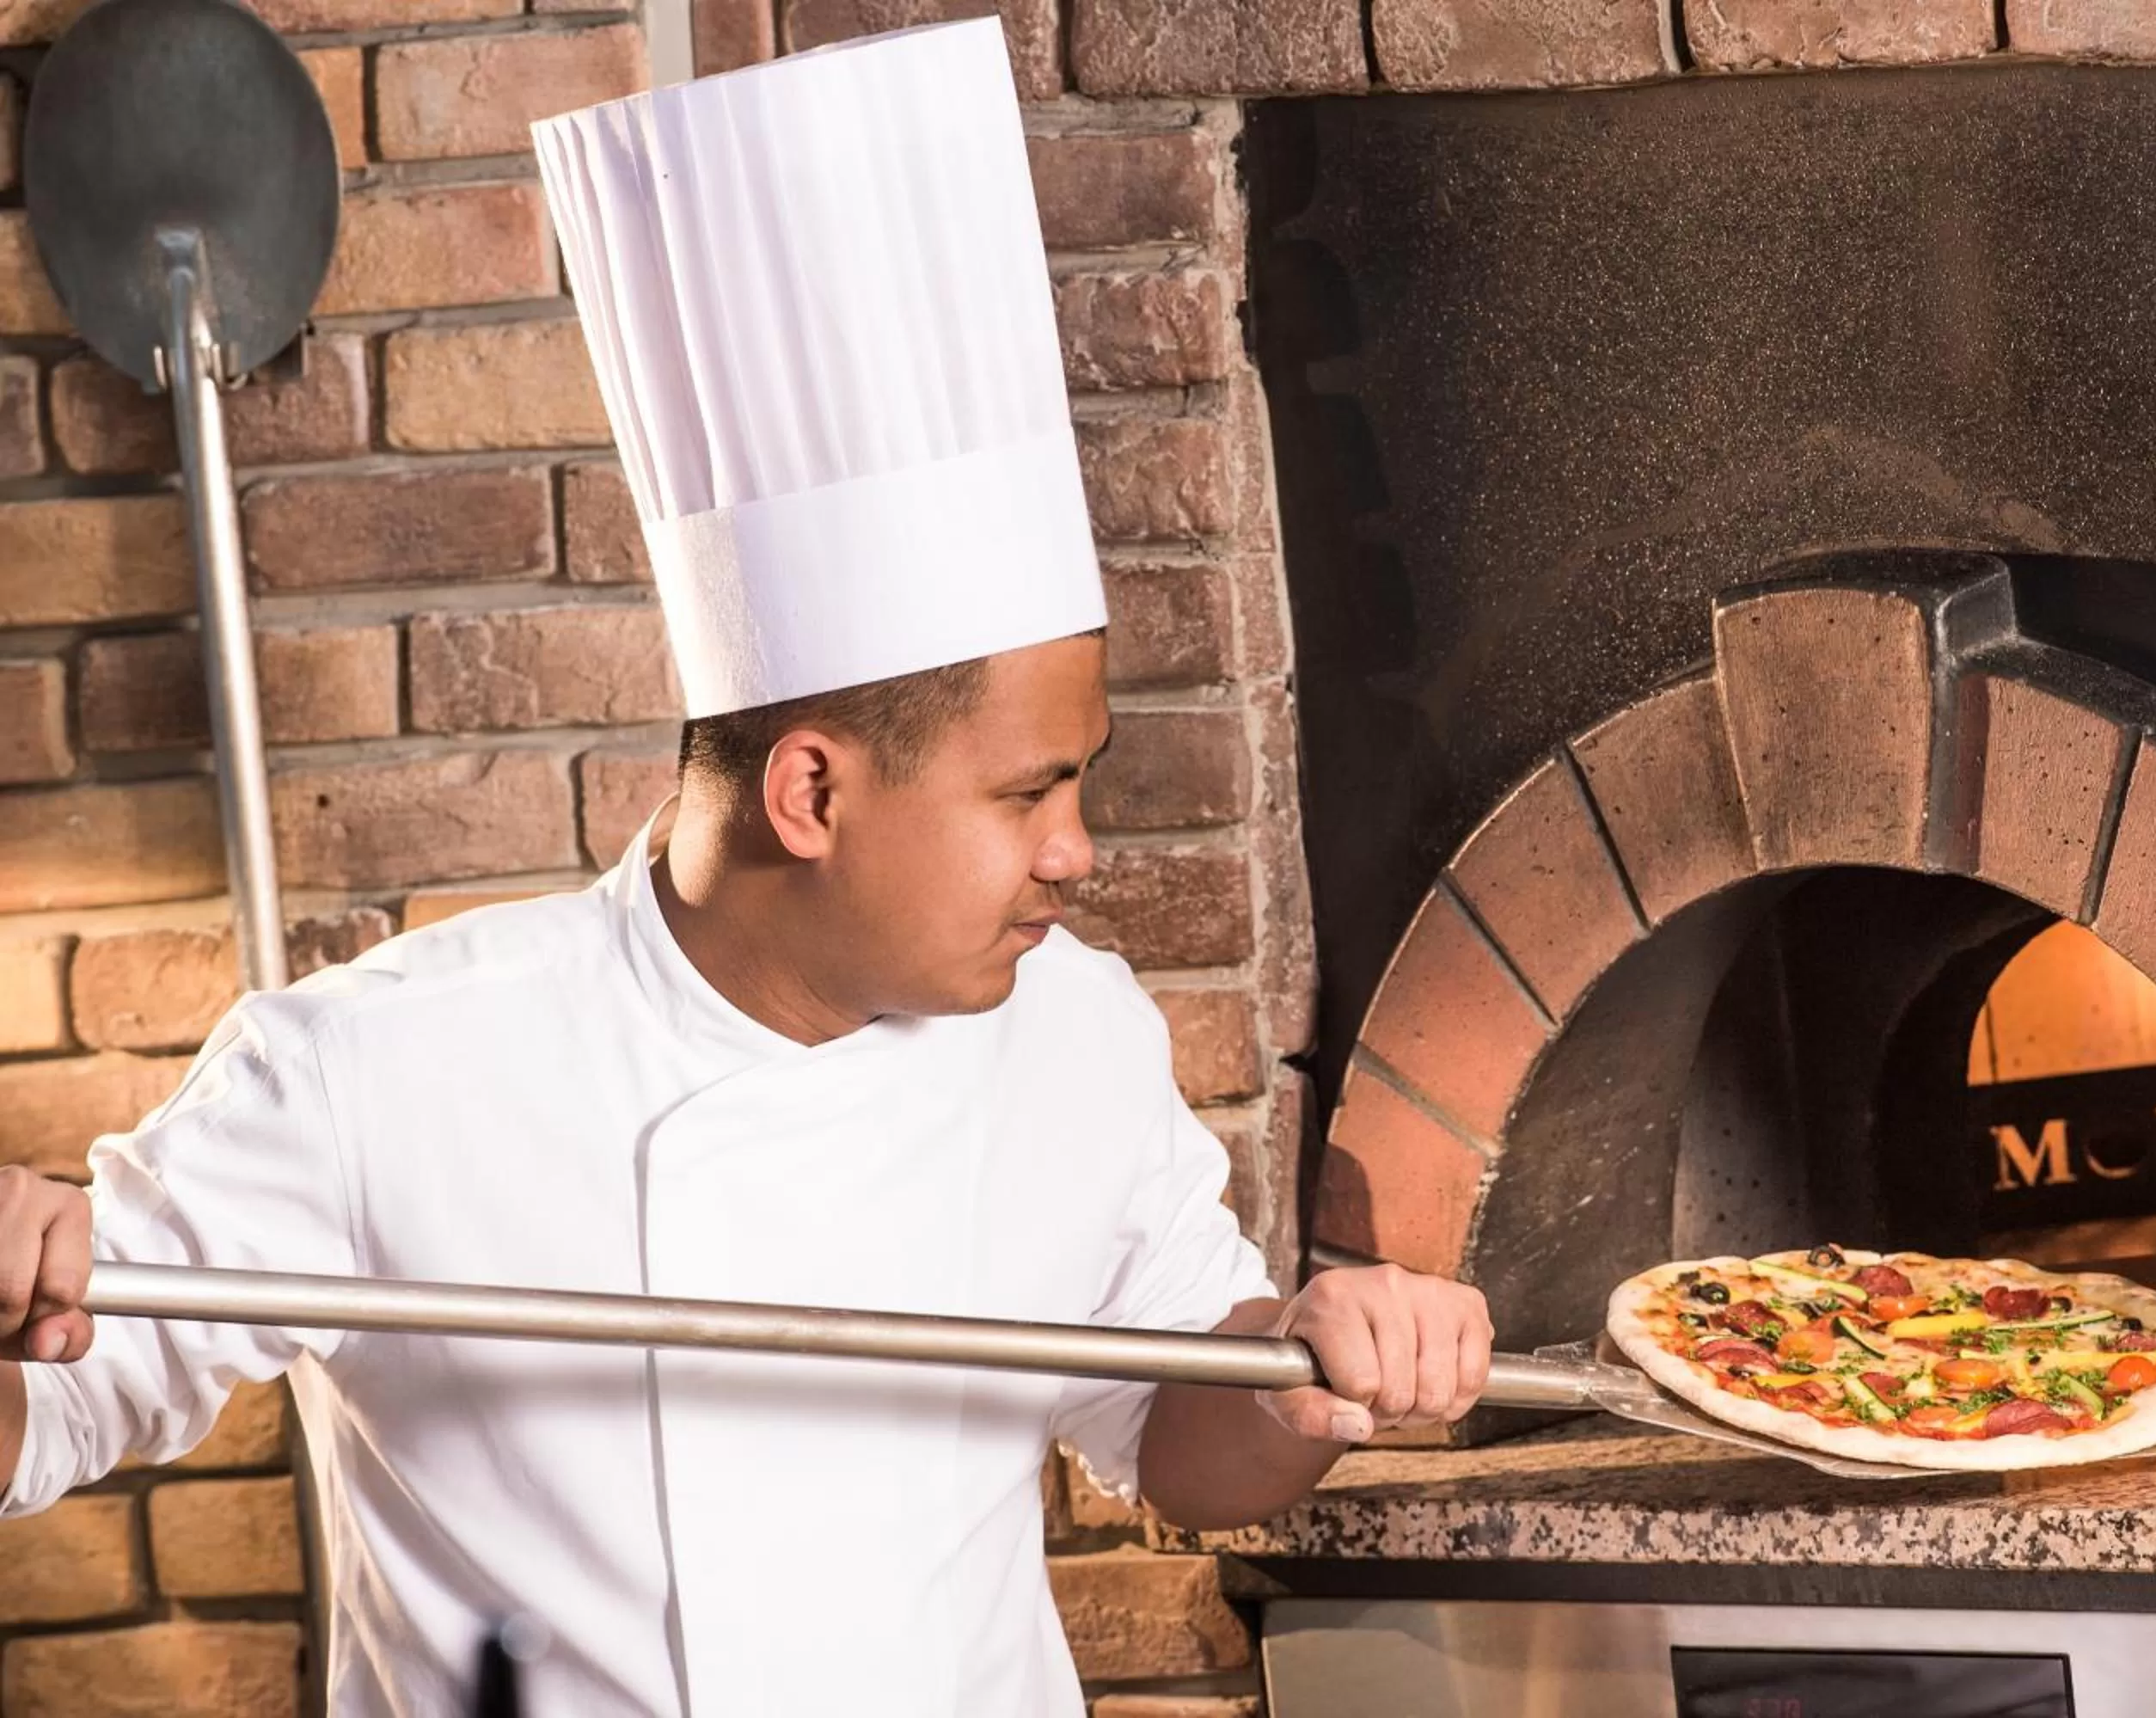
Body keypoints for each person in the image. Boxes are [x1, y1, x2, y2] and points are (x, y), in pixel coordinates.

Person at [0, 21, 1491, 1714]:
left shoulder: (1073, 1032)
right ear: (810, 792)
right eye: (1030, 793)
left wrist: (1302, 1377)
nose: (1078, 852)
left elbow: (1174, 1437)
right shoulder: (374, 1072)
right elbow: (46, 1413)